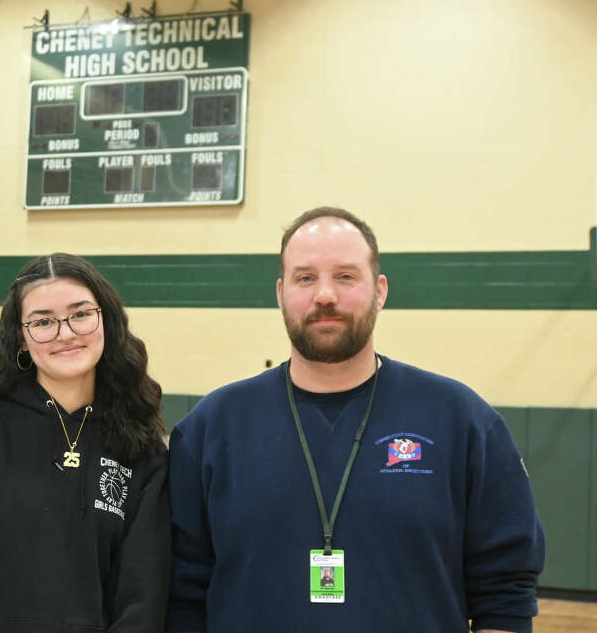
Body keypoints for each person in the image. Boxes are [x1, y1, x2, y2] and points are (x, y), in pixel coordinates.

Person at [166, 208, 545, 633]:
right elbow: (183, 594)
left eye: (346, 276)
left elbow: (505, 594)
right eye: (305, 278)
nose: (325, 295)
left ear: (380, 291)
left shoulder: (463, 420)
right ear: (280, 292)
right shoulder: (210, 428)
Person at [0, 253, 170, 633]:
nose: (65, 333)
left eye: (81, 314)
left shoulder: (141, 442)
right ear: (21, 336)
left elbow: (143, 592)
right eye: (43, 321)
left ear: (107, 321)